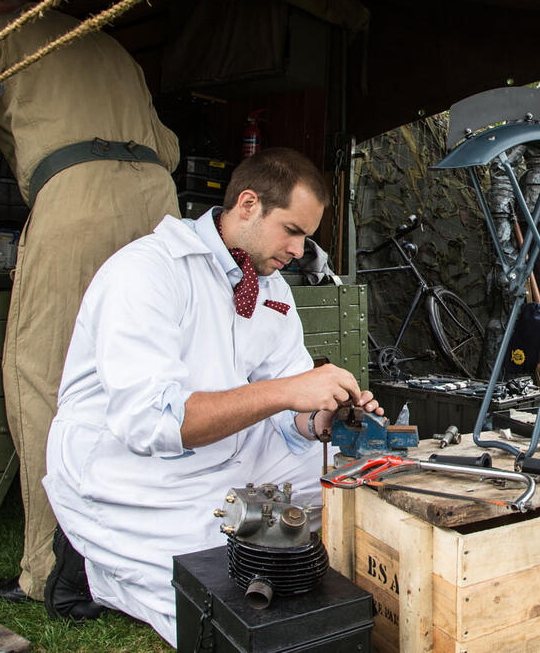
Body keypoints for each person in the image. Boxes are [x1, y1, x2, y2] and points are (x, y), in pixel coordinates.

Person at [42, 148, 380, 644]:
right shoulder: (147, 272)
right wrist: (288, 390)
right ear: (247, 204)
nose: (301, 248)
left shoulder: (272, 288)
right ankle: (86, 562)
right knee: (225, 566)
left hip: (228, 447)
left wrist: (321, 418)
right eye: (291, 230)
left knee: (345, 490)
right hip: (131, 462)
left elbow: (289, 412)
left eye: (307, 235)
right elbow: (155, 423)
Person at [0, 0, 180, 604]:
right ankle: (144, 546)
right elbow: (170, 144)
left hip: (79, 200)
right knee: (143, 374)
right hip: (159, 200)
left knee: (42, 375)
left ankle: (51, 569)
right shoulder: (107, 39)